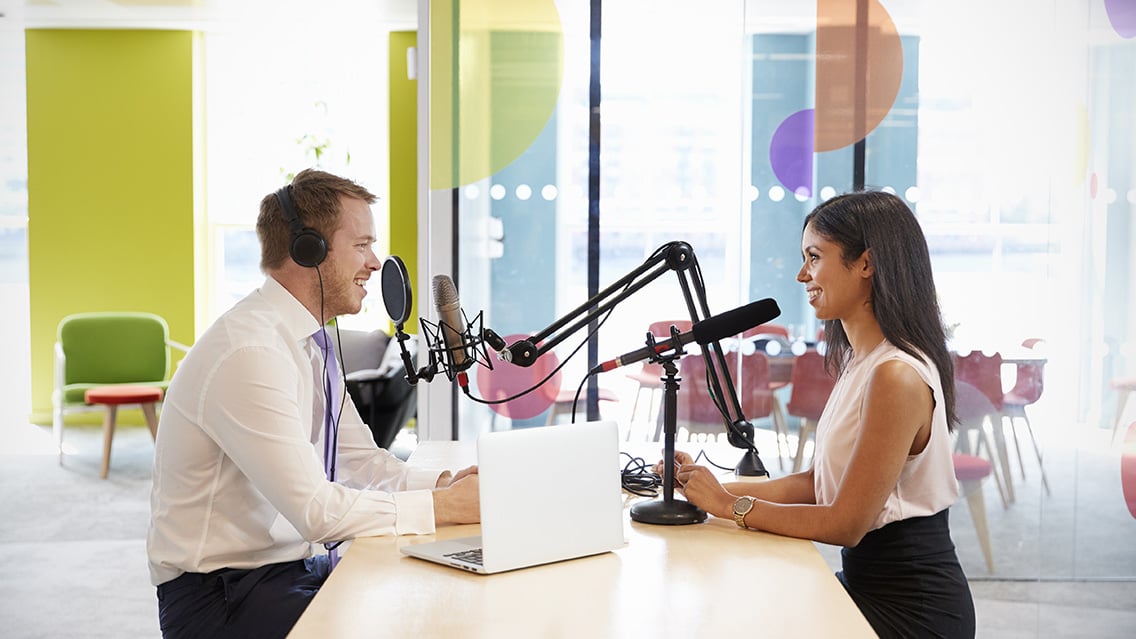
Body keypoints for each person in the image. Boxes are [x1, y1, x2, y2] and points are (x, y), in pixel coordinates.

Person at [147, 169, 480, 639]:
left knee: (433, 598)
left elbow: (358, 459)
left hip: (288, 571)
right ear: (310, 250)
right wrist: (443, 508)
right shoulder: (251, 352)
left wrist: (444, 484)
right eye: (362, 245)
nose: (375, 261)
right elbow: (316, 511)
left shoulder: (310, 343)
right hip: (221, 597)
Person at [658, 191, 975, 638]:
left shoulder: (896, 376)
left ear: (866, 263)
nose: (802, 274)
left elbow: (845, 522)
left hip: (911, 611)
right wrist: (701, 489)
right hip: (868, 588)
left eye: (814, 256)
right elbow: (816, 483)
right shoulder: (862, 363)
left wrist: (728, 506)